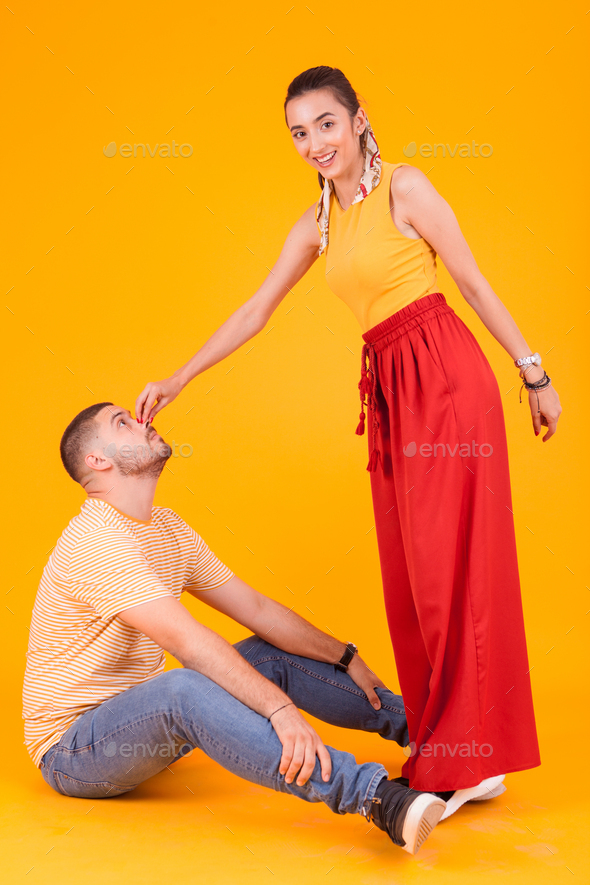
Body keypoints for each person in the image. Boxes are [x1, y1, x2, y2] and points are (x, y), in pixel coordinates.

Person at [134, 67, 561, 795]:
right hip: (391, 389)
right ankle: (451, 745)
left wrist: (533, 372)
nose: (313, 143)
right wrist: (180, 377)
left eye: (325, 125)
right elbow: (254, 310)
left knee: (452, 569)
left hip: (447, 378)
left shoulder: (405, 187)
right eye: (299, 133)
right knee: (412, 574)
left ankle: (468, 758)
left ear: (358, 119)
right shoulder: (318, 221)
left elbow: (474, 282)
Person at [25, 402, 474, 856]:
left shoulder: (167, 528)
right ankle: (376, 798)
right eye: (123, 422)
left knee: (269, 654)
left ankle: (438, 740)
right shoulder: (96, 541)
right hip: (75, 751)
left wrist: (345, 655)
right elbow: (187, 642)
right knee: (181, 689)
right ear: (97, 461)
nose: (143, 422)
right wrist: (279, 709)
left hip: (144, 722)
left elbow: (259, 610)